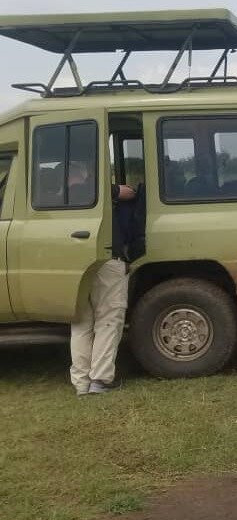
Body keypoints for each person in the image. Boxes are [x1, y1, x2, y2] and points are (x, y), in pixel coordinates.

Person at [70, 169, 144, 396]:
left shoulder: (56, 199)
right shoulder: (98, 192)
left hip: (76, 263)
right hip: (107, 260)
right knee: (109, 319)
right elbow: (129, 193)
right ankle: (100, 380)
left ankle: (81, 383)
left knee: (81, 323)